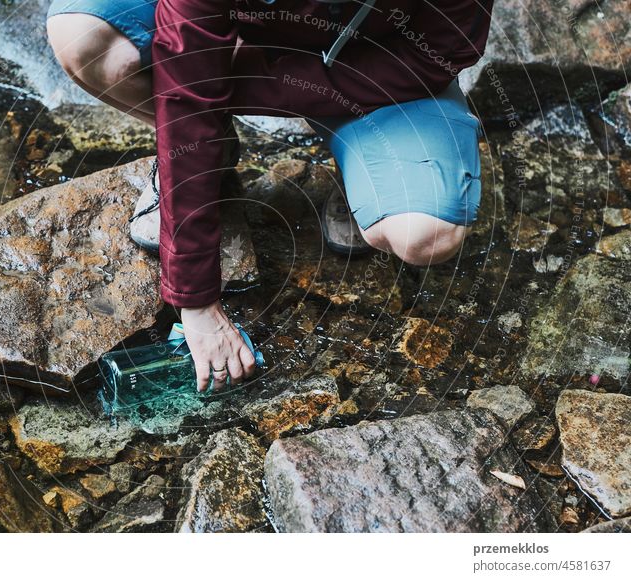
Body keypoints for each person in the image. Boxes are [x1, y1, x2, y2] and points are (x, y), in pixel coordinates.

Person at [46, 0, 494, 392]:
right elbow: (188, 89)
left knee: (423, 235)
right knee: (86, 40)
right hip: (245, 40)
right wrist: (197, 303)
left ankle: (356, 165)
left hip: (386, 69)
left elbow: (439, 52)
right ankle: (208, 152)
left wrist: (244, 79)